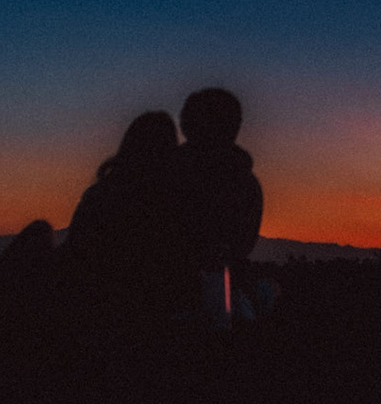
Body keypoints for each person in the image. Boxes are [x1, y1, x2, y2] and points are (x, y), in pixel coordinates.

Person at [58, 109, 195, 317]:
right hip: (154, 312)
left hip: (96, 307)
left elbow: (76, 250)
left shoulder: (101, 195)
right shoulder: (174, 202)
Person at [168, 86, 265, 321]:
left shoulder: (167, 174)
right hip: (221, 292)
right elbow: (243, 245)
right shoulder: (246, 183)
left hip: (172, 294)